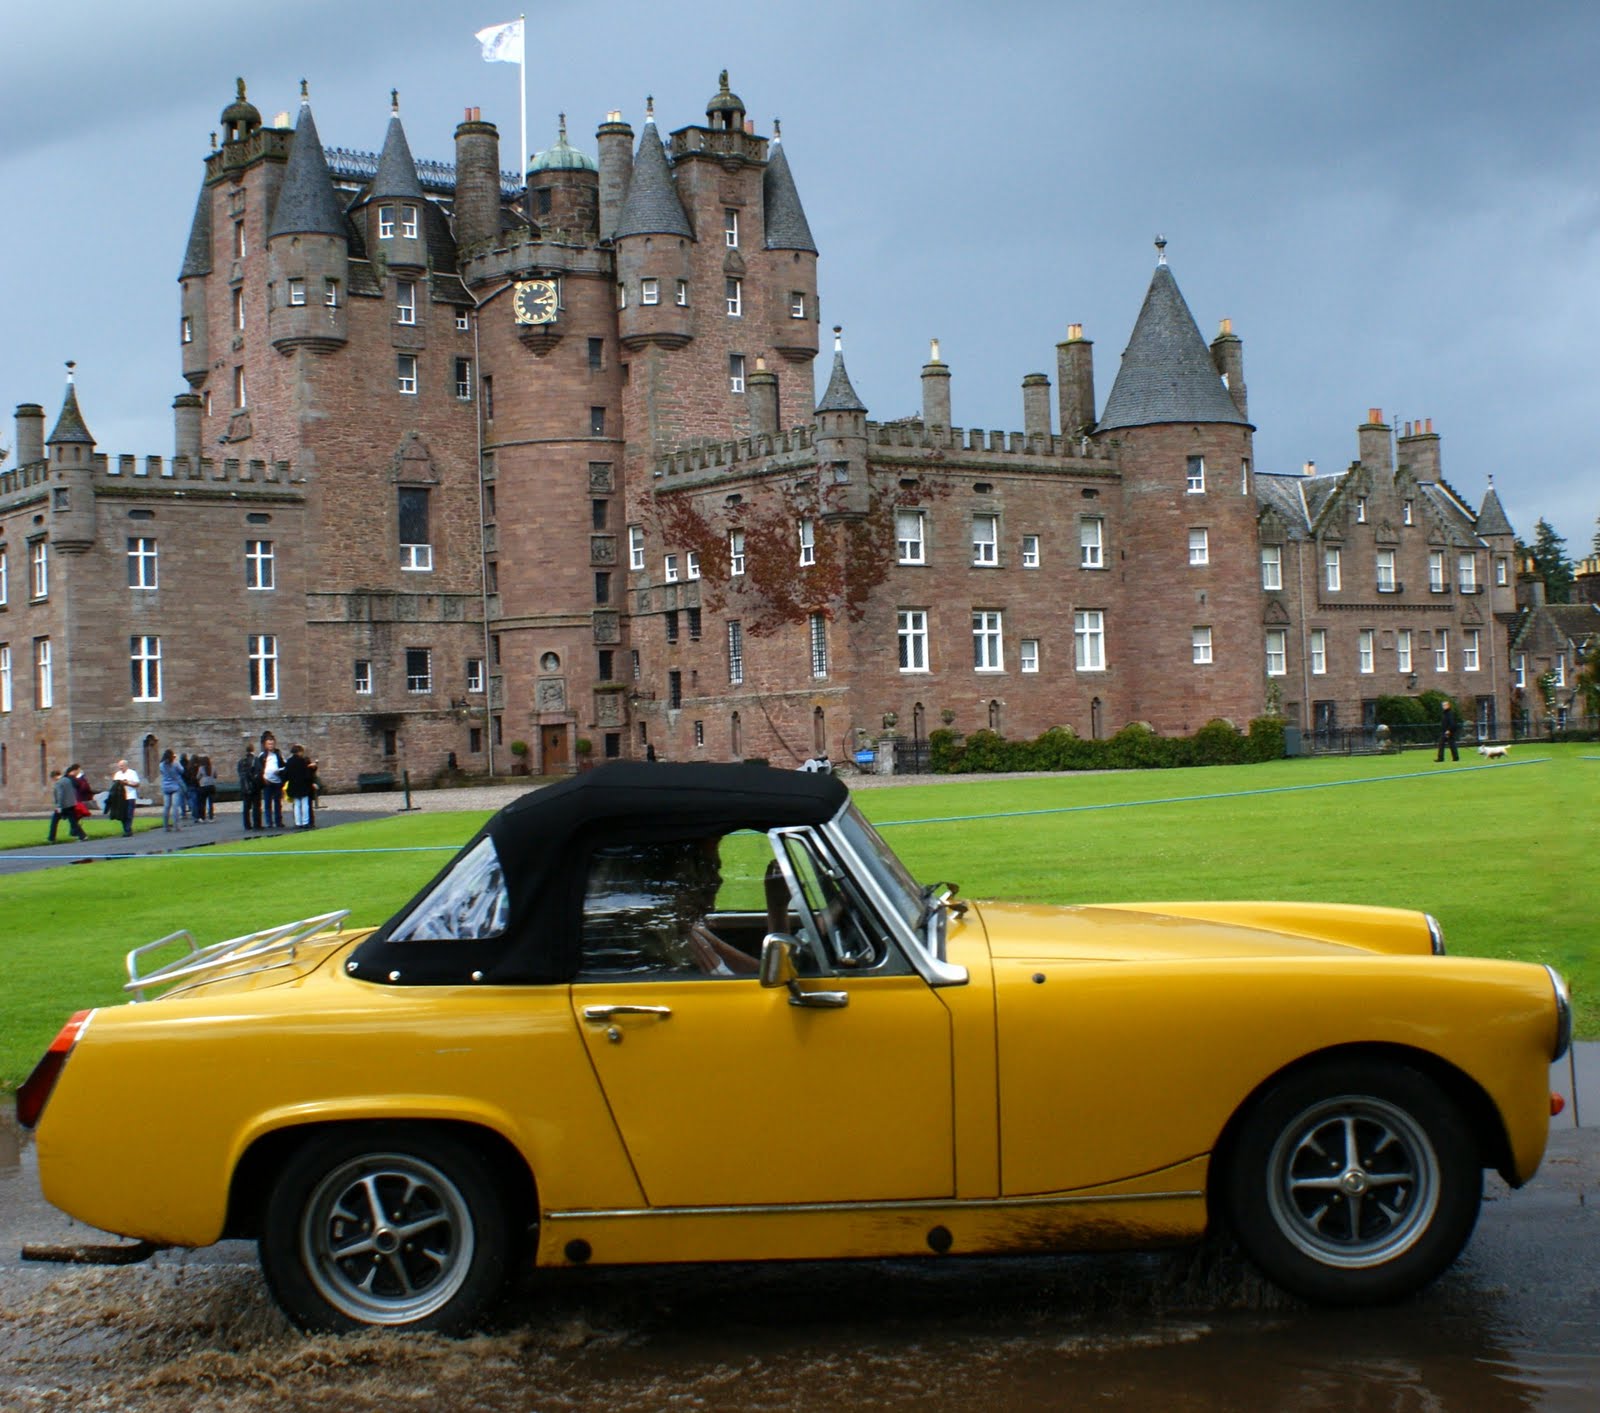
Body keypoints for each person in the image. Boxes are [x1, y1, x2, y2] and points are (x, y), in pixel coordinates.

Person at [47, 768, 88, 843]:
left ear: (54, 776)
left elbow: (60, 795)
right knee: (73, 822)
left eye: (53, 778)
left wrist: (59, 806)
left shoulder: (58, 783)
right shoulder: (67, 780)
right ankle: (83, 836)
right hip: (71, 804)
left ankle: (51, 838)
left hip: (63, 806)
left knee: (54, 822)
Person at [284, 744, 315, 828]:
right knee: (305, 804)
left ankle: (298, 823)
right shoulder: (303, 761)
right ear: (299, 752)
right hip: (303, 785)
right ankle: (305, 822)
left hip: (293, 785)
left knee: (297, 804)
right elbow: (307, 774)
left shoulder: (289, 761)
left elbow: (286, 774)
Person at [259, 731, 285, 829]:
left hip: (277, 781)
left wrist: (280, 771)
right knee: (267, 803)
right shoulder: (263, 755)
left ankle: (278, 821)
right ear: (265, 745)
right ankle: (269, 822)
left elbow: (283, 765)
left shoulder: (278, 754)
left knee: (278, 803)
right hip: (267, 782)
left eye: (272, 744)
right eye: (269, 744)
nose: (271, 746)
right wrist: (263, 778)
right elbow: (259, 769)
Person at [111, 759, 141, 837]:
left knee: (129, 813)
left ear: (126, 765)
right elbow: (114, 784)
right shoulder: (117, 774)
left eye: (122, 766)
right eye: (119, 766)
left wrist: (127, 783)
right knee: (122, 814)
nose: (120, 767)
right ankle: (127, 830)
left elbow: (137, 784)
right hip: (120, 797)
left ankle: (127, 830)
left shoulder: (132, 773)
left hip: (130, 796)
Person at [237, 742, 262, 829]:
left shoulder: (241, 761)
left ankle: (247, 825)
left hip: (244, 786)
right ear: (253, 750)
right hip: (254, 786)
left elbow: (239, 773)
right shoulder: (255, 760)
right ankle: (257, 824)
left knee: (246, 807)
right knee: (256, 806)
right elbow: (259, 772)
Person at [159, 749, 185, 830]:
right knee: (175, 806)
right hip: (175, 786)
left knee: (166, 807)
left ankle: (166, 826)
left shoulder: (161, 765)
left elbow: (162, 773)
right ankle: (176, 825)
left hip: (166, 787)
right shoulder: (175, 763)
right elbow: (182, 771)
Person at [196, 756, 216, 821]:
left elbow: (197, 777)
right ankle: (211, 817)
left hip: (203, 786)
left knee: (203, 803)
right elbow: (215, 776)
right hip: (211, 786)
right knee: (211, 803)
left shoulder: (201, 768)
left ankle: (202, 817)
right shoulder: (213, 767)